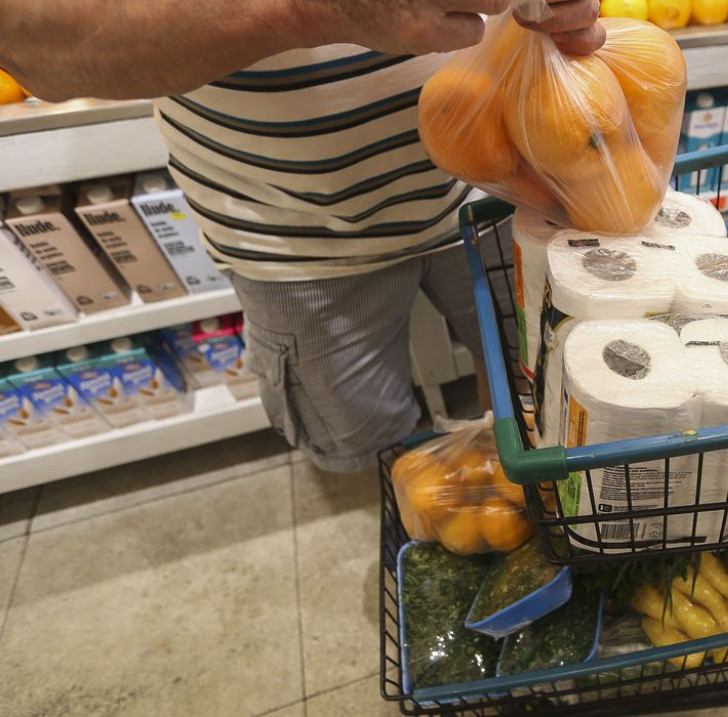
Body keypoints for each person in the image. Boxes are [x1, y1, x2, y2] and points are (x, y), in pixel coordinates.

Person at [1, 0, 604, 472]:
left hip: (504, 179)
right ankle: (427, 514)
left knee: (535, 386)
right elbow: (34, 46)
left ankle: (501, 496)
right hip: (292, 235)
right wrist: (319, 10)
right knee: (360, 431)